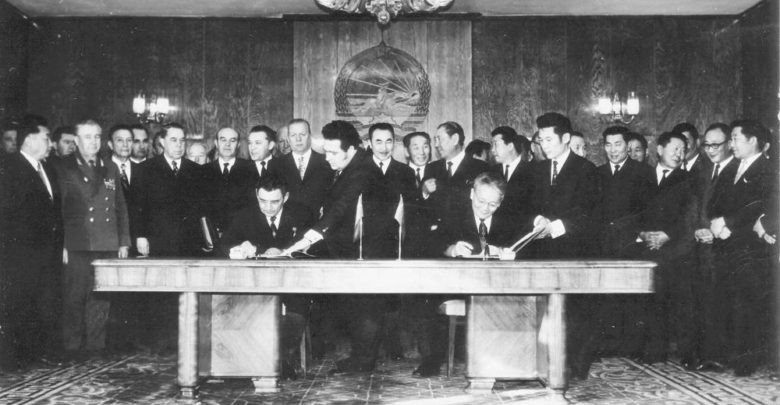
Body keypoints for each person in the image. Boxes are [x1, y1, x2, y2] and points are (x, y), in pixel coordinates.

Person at [284, 120, 382, 373]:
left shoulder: (363, 171)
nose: (327, 158)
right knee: (356, 305)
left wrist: (308, 239)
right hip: (350, 247)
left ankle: (363, 362)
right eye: (325, 151)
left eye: (333, 153)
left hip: (366, 251)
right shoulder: (351, 165)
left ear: (351, 150)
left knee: (364, 306)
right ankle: (360, 358)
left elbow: (341, 208)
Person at [526, 112, 599, 380]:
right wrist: (537, 220)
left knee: (575, 311)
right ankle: (545, 363)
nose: (544, 145)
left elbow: (589, 214)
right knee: (545, 308)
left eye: (549, 139)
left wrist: (555, 227)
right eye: (541, 140)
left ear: (566, 138)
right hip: (542, 252)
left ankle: (575, 366)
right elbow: (528, 205)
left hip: (574, 251)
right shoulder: (537, 170)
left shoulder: (586, 170)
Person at [707, 119, 777, 376]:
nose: (732, 144)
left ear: (753, 140)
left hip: (751, 248)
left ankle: (746, 359)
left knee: (747, 303)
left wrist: (729, 223)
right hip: (725, 244)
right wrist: (717, 222)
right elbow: (714, 201)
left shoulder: (769, 170)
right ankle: (724, 356)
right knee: (725, 299)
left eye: (735, 138)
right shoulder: (731, 167)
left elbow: (762, 206)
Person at [55, 119, 130, 358]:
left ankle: (96, 346)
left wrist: (123, 241)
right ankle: (72, 346)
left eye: (97, 136)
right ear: (76, 141)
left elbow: (120, 207)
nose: (93, 141)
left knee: (101, 297)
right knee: (75, 295)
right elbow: (58, 210)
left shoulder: (110, 167)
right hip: (77, 242)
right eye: (87, 137)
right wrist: (61, 244)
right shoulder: (63, 167)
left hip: (106, 241)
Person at [627, 131, 697, 367]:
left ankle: (688, 354)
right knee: (650, 300)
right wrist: (641, 233)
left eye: (683, 150)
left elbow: (690, 216)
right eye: (675, 149)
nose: (679, 154)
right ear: (659, 149)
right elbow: (632, 211)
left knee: (680, 302)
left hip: (676, 250)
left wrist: (668, 235)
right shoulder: (641, 176)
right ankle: (653, 351)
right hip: (646, 247)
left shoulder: (689, 178)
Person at [0, 122, 62, 371]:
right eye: (46, 138)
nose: (51, 143)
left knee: (41, 303)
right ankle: (12, 357)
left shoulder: (47, 168)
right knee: (18, 303)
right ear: (29, 140)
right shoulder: (9, 168)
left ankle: (35, 353)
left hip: (46, 253)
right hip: (21, 253)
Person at [594, 126, 655, 357]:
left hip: (631, 243)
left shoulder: (644, 172)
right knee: (606, 295)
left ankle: (631, 345)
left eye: (617, 144)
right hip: (602, 244)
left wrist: (629, 230)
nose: (613, 150)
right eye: (608, 145)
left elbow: (648, 210)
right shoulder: (597, 173)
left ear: (627, 146)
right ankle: (607, 344)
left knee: (631, 297)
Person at [690, 123, 739, 372]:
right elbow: (697, 207)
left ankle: (721, 355)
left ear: (729, 143)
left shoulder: (737, 169)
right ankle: (707, 354)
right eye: (706, 145)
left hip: (726, 248)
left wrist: (715, 233)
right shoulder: (705, 170)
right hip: (703, 248)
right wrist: (698, 229)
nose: (710, 150)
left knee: (723, 302)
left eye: (715, 145)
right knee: (705, 300)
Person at [363, 123, 417, 259]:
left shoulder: (406, 172)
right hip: (364, 246)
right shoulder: (357, 171)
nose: (384, 148)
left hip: (396, 247)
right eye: (378, 142)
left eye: (388, 141)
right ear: (369, 143)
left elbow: (411, 214)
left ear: (394, 143)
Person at [423, 121, 489, 230]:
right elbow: (422, 208)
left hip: (467, 233)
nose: (436, 145)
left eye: (439, 139)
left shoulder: (481, 168)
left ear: (455, 139)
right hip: (438, 234)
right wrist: (425, 192)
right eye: (435, 140)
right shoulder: (432, 168)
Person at [268, 119, 333, 216]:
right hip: (287, 222)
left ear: (310, 136)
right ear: (288, 138)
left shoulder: (327, 162)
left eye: (302, 134)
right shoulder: (275, 165)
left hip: (318, 221)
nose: (298, 139)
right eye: (293, 135)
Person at [203, 127, 256, 235]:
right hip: (211, 235)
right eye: (223, 140)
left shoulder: (250, 169)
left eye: (232, 140)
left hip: (242, 235)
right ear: (216, 143)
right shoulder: (204, 171)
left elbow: (253, 207)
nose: (227, 144)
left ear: (238, 144)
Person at [489, 126, 532, 220]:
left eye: (496, 144)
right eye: (492, 145)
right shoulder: (491, 172)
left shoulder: (532, 172)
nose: (492, 150)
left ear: (510, 146)